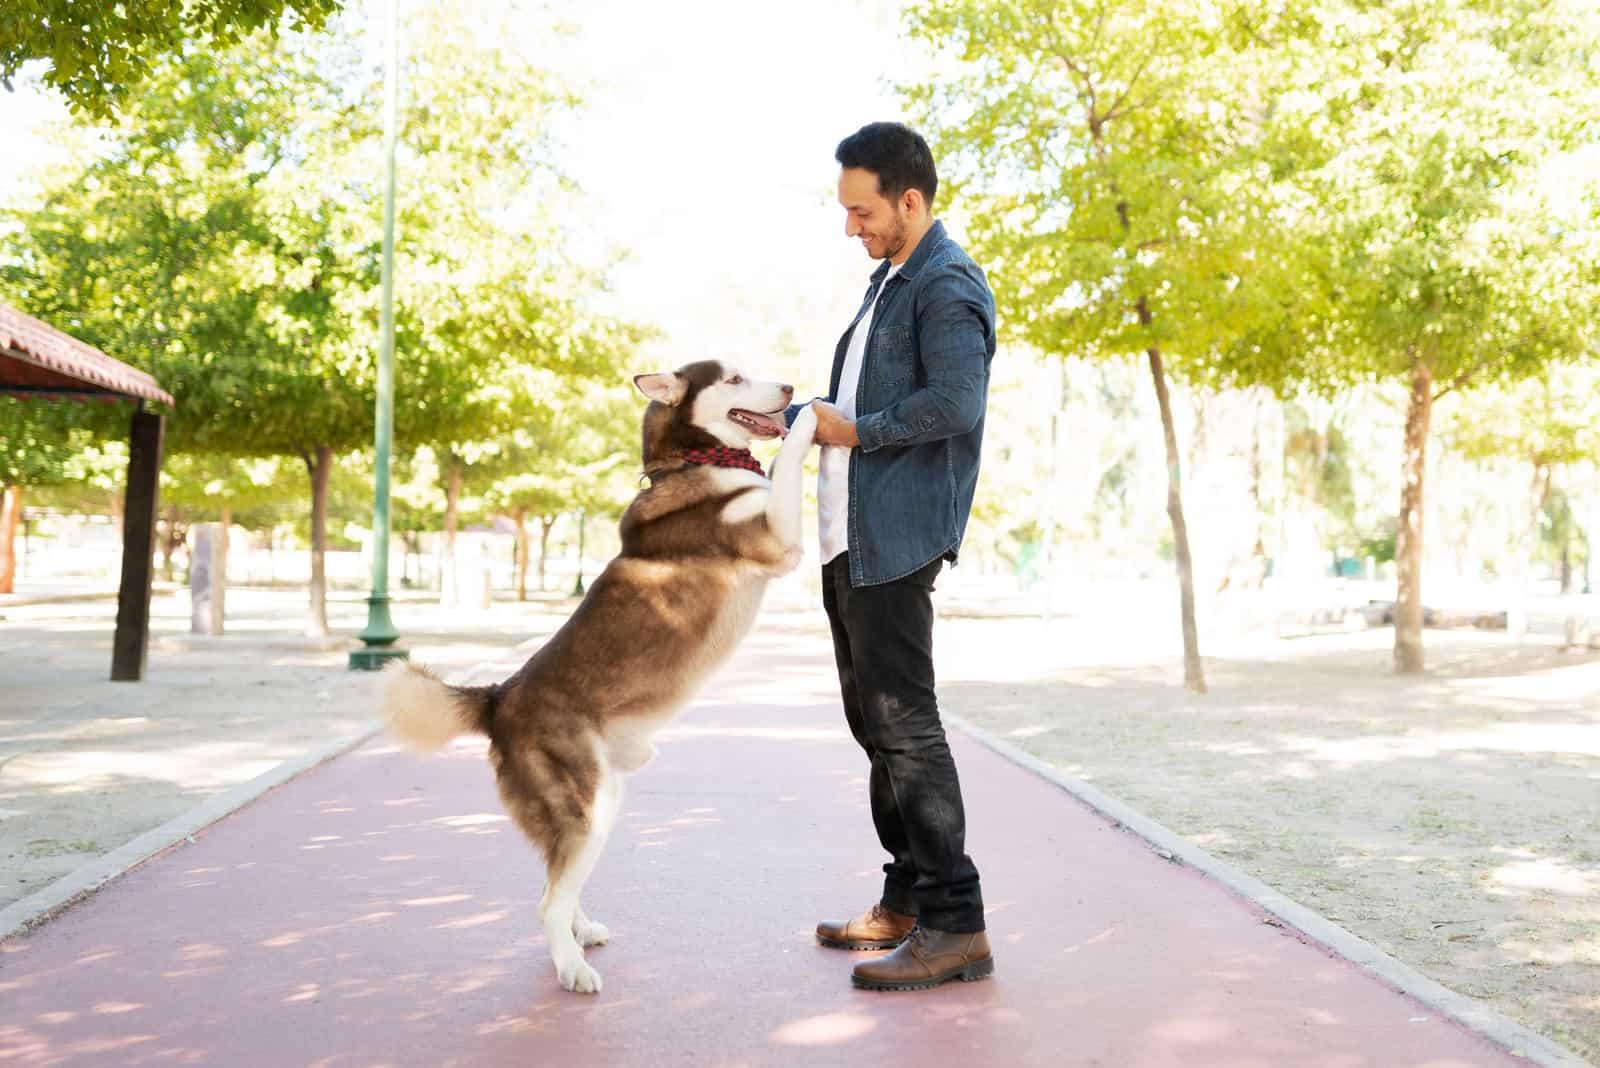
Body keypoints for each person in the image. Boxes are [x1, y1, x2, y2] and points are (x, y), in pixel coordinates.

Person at [794, 121, 998, 991]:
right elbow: (860, 400)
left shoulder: (946, 285)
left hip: (896, 540)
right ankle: (909, 898)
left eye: (863, 210)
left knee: (907, 729)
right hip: (852, 541)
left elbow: (956, 401)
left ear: (910, 200)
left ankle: (957, 923)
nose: (852, 227)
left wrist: (859, 430)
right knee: (874, 725)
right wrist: (811, 415)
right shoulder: (888, 284)